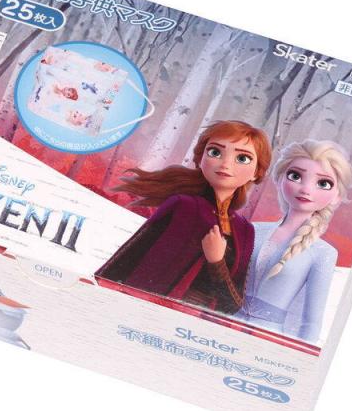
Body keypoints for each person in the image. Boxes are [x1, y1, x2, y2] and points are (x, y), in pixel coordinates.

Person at [96, 120, 271, 314]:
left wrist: (216, 262)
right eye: (215, 152)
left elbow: (232, 305)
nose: (225, 163)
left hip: (197, 323)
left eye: (242, 158)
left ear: (257, 172)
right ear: (200, 159)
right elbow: (130, 257)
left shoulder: (245, 230)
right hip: (146, 310)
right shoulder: (183, 206)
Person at [235, 140, 352, 343]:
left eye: (323, 183)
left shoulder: (322, 253)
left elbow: (312, 323)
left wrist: (298, 357)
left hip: (267, 341)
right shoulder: (253, 229)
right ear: (280, 178)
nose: (306, 189)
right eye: (295, 176)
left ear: (337, 196)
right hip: (225, 325)